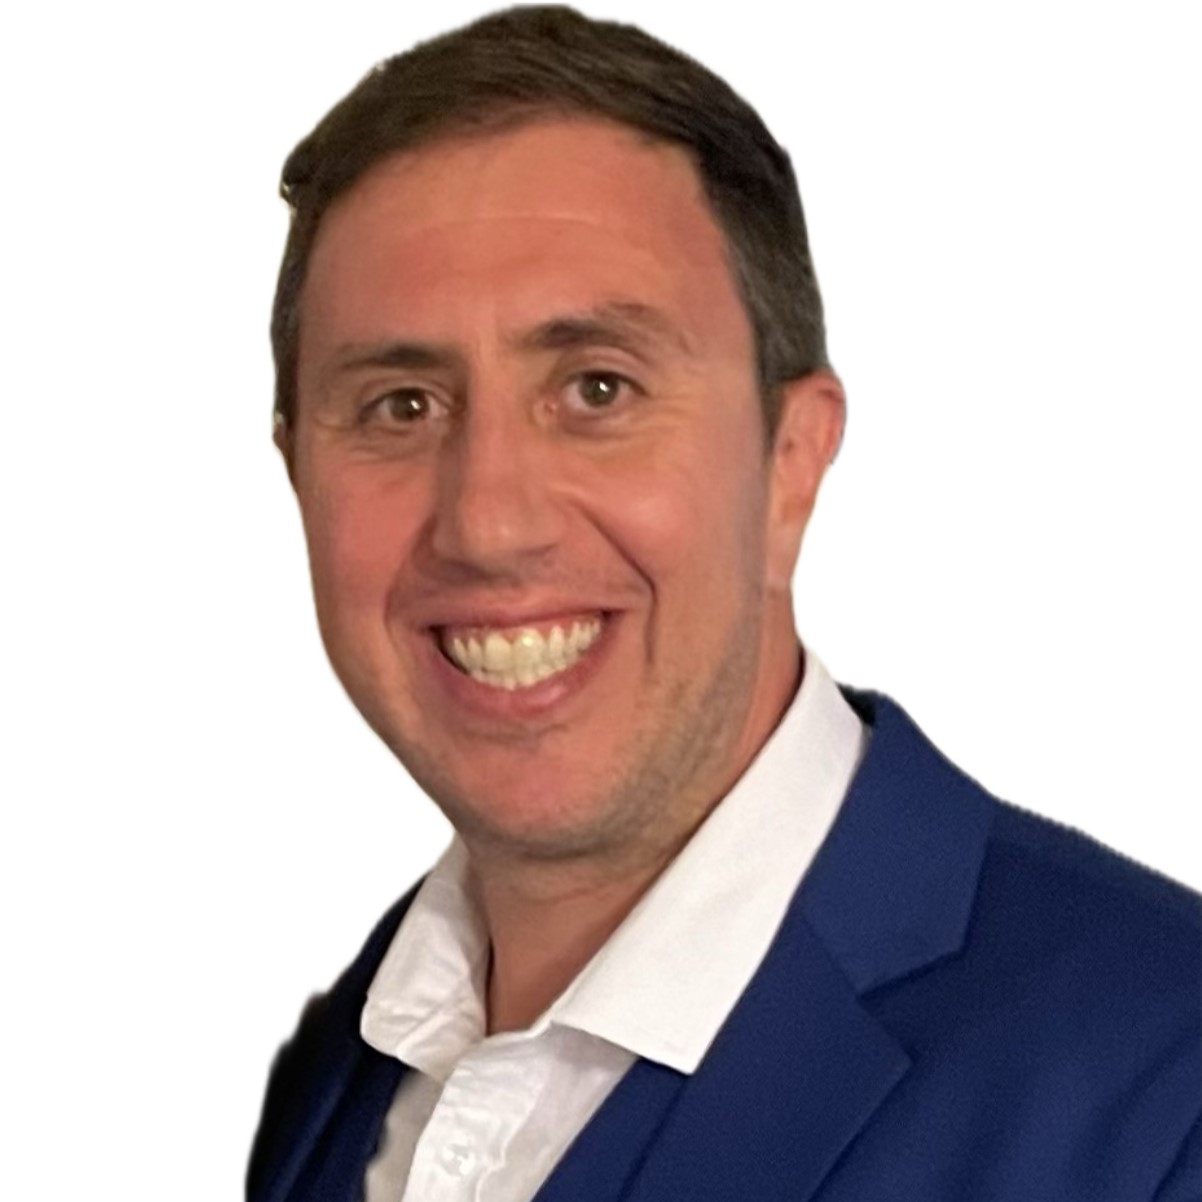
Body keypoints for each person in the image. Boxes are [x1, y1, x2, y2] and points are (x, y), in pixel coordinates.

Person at [247, 7, 1200, 1200]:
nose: (487, 520)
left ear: (788, 460)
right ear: (297, 471)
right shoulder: (340, 1070)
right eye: (400, 405)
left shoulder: (1162, 1093)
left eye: (596, 388)